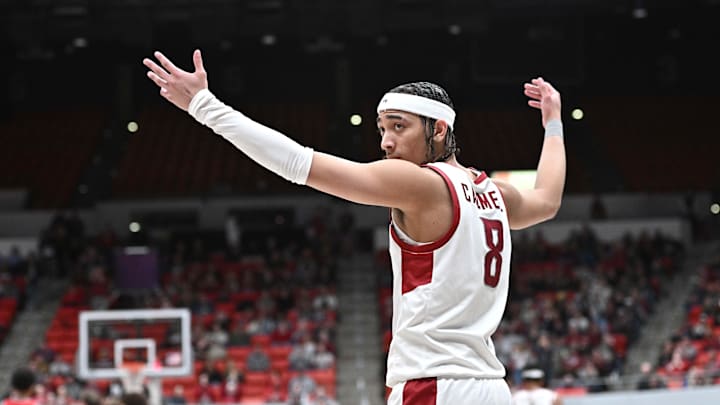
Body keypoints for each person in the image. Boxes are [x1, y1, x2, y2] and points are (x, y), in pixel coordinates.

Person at [143, 49, 566, 404]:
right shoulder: (492, 192)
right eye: (382, 129)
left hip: (434, 383)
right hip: (491, 389)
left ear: (439, 130)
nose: (385, 142)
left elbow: (298, 163)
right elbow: (546, 200)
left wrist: (204, 106)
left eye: (399, 127)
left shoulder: (419, 183)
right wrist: (553, 125)